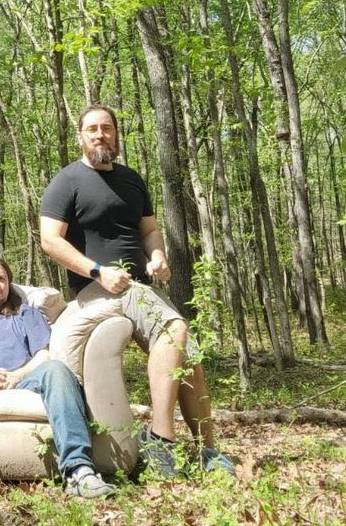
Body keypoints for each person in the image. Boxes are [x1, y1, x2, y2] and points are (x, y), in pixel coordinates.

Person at [40, 104, 235, 478]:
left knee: (187, 354)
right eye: (92, 129)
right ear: (80, 136)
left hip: (139, 286)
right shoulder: (66, 181)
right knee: (175, 328)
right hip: (98, 289)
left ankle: (209, 451)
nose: (100, 135)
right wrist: (97, 271)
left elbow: (149, 230)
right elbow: (50, 241)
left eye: (107, 128)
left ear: (116, 134)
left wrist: (158, 255)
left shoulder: (131, 180)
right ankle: (161, 438)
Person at [0, 257, 115, 501]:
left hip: (25, 377)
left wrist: (19, 375)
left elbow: (43, 354)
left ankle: (79, 470)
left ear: (9, 285)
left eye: (2, 279)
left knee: (56, 369)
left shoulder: (26, 314)